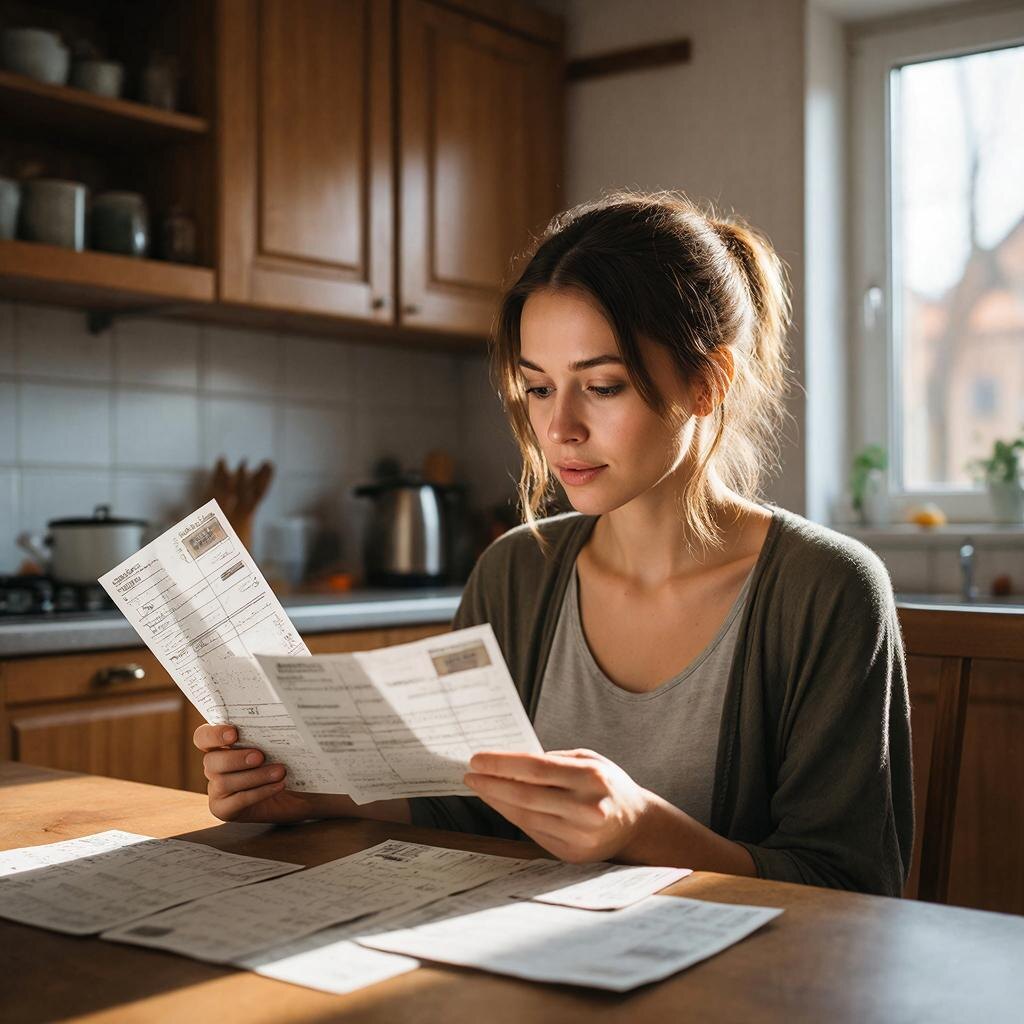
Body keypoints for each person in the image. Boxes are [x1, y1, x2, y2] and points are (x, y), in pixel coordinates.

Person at [194, 191, 914, 896]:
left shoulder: (828, 588)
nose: (560, 429)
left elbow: (849, 885)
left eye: (602, 386)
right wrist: (319, 796)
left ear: (708, 383)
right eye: (538, 389)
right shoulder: (516, 572)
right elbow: (465, 801)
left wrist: (640, 829)